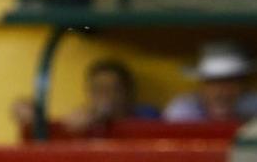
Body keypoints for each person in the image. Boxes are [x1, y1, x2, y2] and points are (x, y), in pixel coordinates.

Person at [11, 57, 161, 135]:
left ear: (128, 92)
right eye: (99, 90)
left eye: (114, 89)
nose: (106, 96)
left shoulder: (147, 114)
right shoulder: (84, 118)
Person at [163, 41, 257, 123]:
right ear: (202, 86)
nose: (221, 91)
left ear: (244, 85)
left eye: (230, 81)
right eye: (213, 82)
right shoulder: (183, 111)